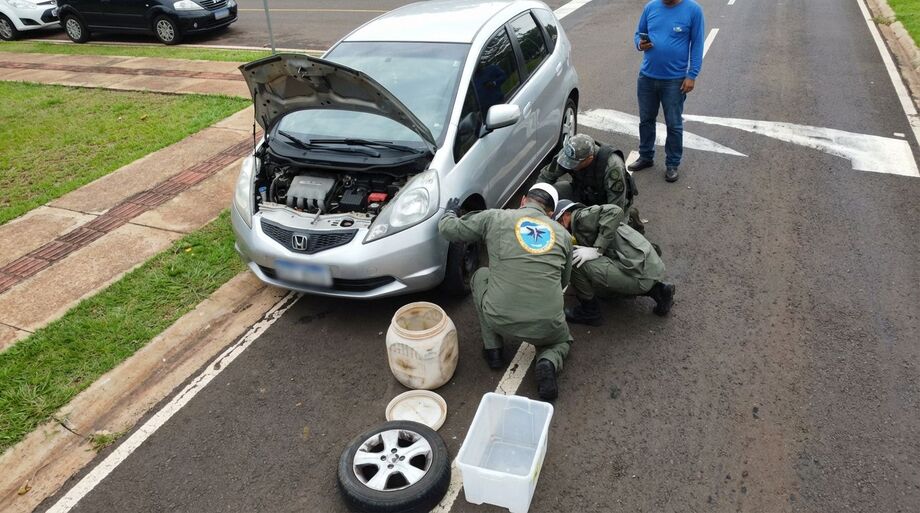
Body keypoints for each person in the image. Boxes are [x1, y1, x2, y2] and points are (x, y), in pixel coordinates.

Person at [438, 184, 573, 401]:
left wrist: (449, 213)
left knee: (481, 275)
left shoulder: (495, 218)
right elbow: (564, 281)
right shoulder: (563, 236)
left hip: (499, 316)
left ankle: (494, 350)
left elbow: (449, 230)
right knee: (560, 341)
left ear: (523, 200)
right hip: (546, 324)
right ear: (551, 213)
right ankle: (547, 360)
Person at [553, 199, 675, 326]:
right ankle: (659, 291)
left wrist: (597, 249)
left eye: (557, 222)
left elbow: (615, 211)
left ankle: (590, 312)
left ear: (566, 215)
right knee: (598, 286)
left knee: (574, 262)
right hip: (647, 268)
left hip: (640, 273)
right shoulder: (582, 224)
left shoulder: (581, 217)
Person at [630, 0, 705, 183]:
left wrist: (692, 75)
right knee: (646, 120)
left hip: (675, 80)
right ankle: (646, 156)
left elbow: (697, 44)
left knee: (673, 124)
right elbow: (638, 34)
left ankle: (672, 164)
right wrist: (640, 43)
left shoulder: (693, 10)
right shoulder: (651, 7)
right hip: (647, 76)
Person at [537, 133, 644, 233]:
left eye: (574, 164)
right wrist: (535, 201)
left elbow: (615, 208)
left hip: (607, 203)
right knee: (553, 192)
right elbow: (546, 176)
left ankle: (631, 217)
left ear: (589, 159)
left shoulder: (612, 167)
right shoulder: (568, 154)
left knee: (613, 237)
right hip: (583, 192)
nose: (569, 166)